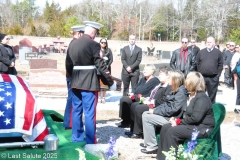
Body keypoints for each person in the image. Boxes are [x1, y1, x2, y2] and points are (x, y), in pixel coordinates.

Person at [65, 21, 113, 144]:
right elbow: (100, 65)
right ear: (93, 32)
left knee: (76, 111)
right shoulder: (94, 45)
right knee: (89, 113)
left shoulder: (73, 44)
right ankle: (91, 141)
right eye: (96, 32)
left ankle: (77, 138)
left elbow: (68, 64)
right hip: (89, 83)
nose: (96, 35)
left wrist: (72, 78)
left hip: (75, 81)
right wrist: (110, 81)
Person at [156, 72, 215, 160]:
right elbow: (186, 114)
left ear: (191, 83)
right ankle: (162, 157)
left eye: (187, 80)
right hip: (191, 125)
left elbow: (196, 118)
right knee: (165, 127)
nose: (185, 82)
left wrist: (178, 122)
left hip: (201, 128)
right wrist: (176, 119)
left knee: (172, 131)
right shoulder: (190, 95)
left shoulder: (202, 98)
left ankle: (172, 157)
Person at [141, 70, 188, 154]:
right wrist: (155, 110)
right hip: (168, 115)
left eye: (170, 78)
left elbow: (174, 109)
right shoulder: (174, 89)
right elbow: (166, 104)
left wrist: (155, 111)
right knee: (145, 113)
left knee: (147, 117)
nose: (168, 79)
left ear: (175, 80)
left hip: (173, 118)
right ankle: (149, 143)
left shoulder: (180, 92)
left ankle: (152, 146)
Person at [125, 66, 172, 138]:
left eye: (161, 74)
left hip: (157, 106)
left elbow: (163, 100)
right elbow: (152, 94)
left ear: (168, 76)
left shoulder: (168, 86)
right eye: (159, 74)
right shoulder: (160, 84)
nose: (159, 76)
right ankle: (133, 129)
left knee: (139, 108)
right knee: (134, 105)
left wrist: (150, 102)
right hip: (151, 102)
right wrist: (147, 99)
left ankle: (139, 132)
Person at [118, 64, 160, 128]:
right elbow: (135, 87)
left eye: (146, 70)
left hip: (143, 99)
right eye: (144, 70)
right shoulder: (143, 79)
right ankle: (126, 121)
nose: (144, 71)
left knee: (135, 105)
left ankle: (134, 124)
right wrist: (132, 93)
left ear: (152, 71)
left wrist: (138, 97)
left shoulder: (155, 81)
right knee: (124, 99)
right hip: (136, 96)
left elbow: (151, 94)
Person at [63, 25, 85, 130]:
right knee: (72, 99)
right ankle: (69, 123)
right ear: (79, 33)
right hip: (73, 76)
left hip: (72, 76)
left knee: (72, 99)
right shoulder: (74, 44)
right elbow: (70, 63)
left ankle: (70, 122)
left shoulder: (73, 43)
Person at [196, 36, 223, 103]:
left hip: (213, 78)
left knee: (212, 96)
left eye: (210, 42)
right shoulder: (201, 52)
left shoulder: (218, 53)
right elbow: (197, 63)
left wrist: (218, 75)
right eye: (207, 42)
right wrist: (199, 73)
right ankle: (201, 108)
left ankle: (211, 110)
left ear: (214, 43)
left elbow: (220, 64)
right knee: (200, 94)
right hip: (202, 77)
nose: (208, 43)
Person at [99, 38, 113, 103]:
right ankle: (99, 97)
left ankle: (104, 98)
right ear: (100, 43)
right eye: (102, 42)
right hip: (99, 70)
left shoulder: (108, 50)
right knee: (99, 84)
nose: (103, 44)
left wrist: (108, 65)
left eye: (105, 43)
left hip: (106, 69)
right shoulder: (97, 50)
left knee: (105, 84)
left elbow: (111, 59)